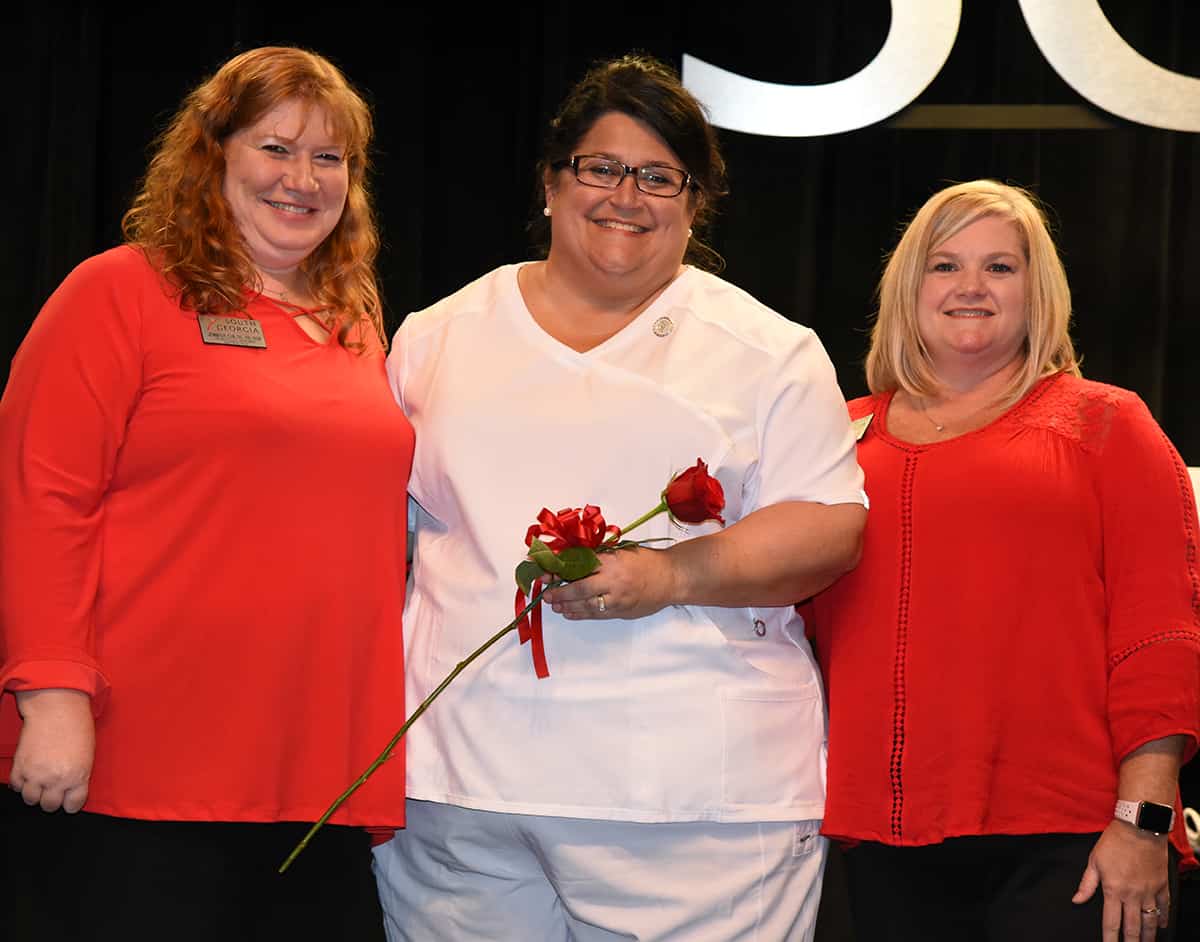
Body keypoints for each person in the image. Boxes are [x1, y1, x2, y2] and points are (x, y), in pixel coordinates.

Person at [372, 54, 867, 941]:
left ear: (695, 198)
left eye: (658, 176)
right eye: (600, 167)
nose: (624, 197)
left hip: (691, 806)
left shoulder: (766, 350)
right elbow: (384, 537)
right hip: (463, 787)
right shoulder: (438, 337)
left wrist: (668, 576)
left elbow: (828, 528)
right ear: (552, 181)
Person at [0, 46, 412, 940]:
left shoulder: (354, 320)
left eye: (329, 158)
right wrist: (53, 695)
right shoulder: (116, 292)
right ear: (212, 154)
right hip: (139, 764)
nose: (302, 179)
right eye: (275, 148)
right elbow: (42, 502)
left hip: (315, 776)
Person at [807, 179, 1200, 942]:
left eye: (1001, 267)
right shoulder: (832, 437)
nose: (971, 288)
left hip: (1075, 845)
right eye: (945, 265)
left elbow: (1162, 637)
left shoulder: (1108, 424)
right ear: (908, 286)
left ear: (1037, 290)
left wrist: (1144, 821)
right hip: (881, 843)